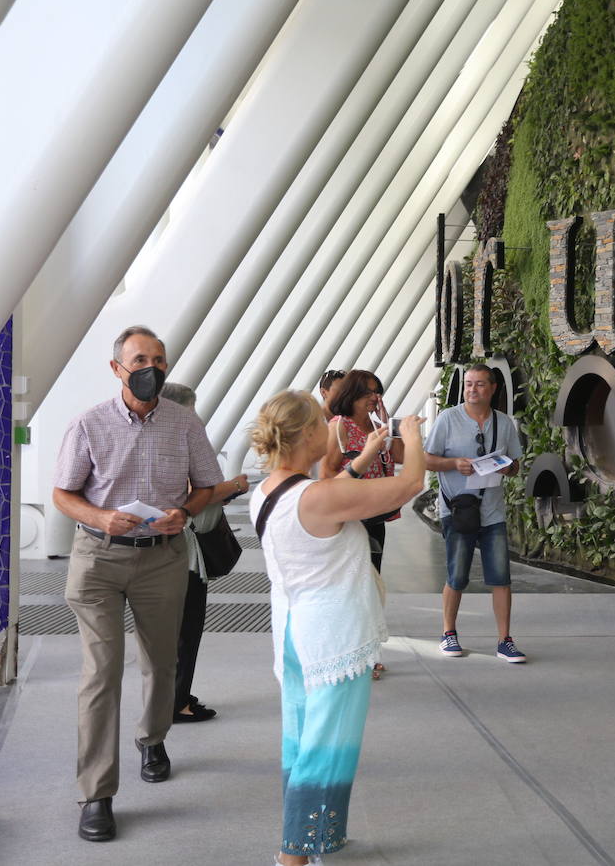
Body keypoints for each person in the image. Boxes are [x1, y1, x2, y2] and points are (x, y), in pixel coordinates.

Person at [53, 326, 223, 842]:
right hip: (98, 559)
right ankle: (97, 793)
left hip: (161, 557)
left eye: (159, 360)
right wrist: (101, 518)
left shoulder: (185, 424)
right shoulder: (88, 424)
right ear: (117, 369)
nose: (151, 368)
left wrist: (183, 513)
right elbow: (63, 494)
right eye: (140, 359)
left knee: (161, 659)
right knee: (101, 673)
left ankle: (152, 738)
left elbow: (208, 487)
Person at [249, 390, 424, 866]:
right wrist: (412, 436)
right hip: (333, 635)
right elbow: (408, 485)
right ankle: (293, 853)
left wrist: (364, 455)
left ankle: (316, 833)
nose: (330, 430)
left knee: (302, 735)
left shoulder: (266, 492)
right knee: (328, 744)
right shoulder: (317, 496)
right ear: (307, 434)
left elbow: (332, 492)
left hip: (293, 629)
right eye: (322, 424)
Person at [158, 382, 249, 724]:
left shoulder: (161, 441)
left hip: (170, 548)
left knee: (176, 629)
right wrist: (236, 486)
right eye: (192, 409)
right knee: (185, 628)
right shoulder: (177, 443)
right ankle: (175, 702)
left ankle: (177, 694)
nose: (197, 417)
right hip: (183, 551)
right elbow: (195, 493)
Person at [423, 364, 526, 662]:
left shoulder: (504, 423)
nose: (472, 389)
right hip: (458, 508)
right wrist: (454, 464)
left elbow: (515, 464)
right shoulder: (447, 419)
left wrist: (509, 467)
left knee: (501, 577)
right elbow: (427, 459)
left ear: (492, 388)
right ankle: (448, 633)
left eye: (479, 384)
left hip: (492, 510)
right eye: (468, 384)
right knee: (457, 574)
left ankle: (505, 640)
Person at [321, 369, 403, 574]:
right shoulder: (340, 426)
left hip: (375, 512)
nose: (375, 398)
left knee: (373, 572)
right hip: (351, 515)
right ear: (352, 393)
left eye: (377, 392)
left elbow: (400, 457)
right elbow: (327, 473)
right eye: (368, 392)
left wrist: (388, 423)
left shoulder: (378, 426)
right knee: (352, 573)